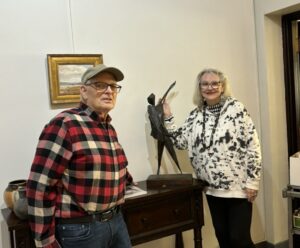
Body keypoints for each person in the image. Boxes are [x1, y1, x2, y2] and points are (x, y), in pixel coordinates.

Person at [26, 64, 133, 248]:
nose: (109, 91)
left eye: (113, 86)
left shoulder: (108, 128)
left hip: (116, 221)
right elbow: (40, 184)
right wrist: (45, 240)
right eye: (100, 85)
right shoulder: (65, 124)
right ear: (83, 91)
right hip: (81, 230)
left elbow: (104, 167)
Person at [163, 68, 262, 248]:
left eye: (215, 83)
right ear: (199, 88)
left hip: (238, 187)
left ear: (222, 86)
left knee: (240, 239)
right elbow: (180, 142)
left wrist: (253, 182)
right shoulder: (195, 115)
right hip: (211, 189)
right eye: (205, 84)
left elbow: (252, 145)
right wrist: (168, 117)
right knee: (223, 237)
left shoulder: (236, 109)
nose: (210, 87)